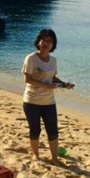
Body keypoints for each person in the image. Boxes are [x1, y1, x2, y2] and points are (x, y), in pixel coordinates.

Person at [21, 28, 74, 164]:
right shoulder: (31, 58)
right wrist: (46, 86)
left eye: (49, 41)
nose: (46, 43)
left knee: (53, 130)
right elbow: (28, 79)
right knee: (35, 129)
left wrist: (64, 84)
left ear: (53, 44)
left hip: (49, 102)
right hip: (32, 100)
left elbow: (52, 77)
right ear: (38, 42)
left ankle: (54, 158)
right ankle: (35, 154)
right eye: (43, 40)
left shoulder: (53, 60)